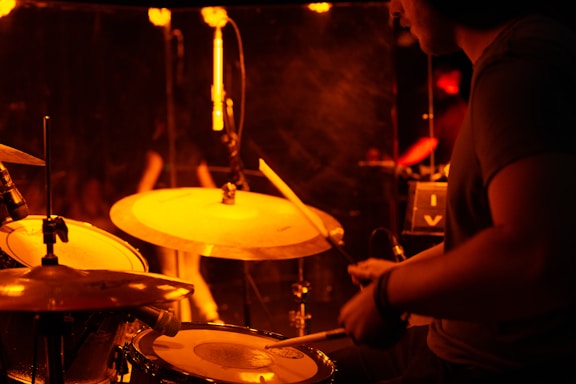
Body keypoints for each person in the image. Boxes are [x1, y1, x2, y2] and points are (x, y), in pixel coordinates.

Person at [331, 0, 576, 382]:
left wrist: (389, 294)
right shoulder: (526, 50)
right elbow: (483, 236)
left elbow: (531, 251)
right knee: (314, 362)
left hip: (488, 362)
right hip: (454, 339)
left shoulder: (515, 68)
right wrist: (402, 274)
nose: (393, 9)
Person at [136, 115, 221, 324]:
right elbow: (210, 188)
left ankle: (182, 324)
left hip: (168, 221)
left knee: (173, 274)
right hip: (194, 220)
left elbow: (144, 187)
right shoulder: (193, 150)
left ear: (161, 124)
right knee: (191, 271)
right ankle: (212, 315)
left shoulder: (158, 150)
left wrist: (141, 212)